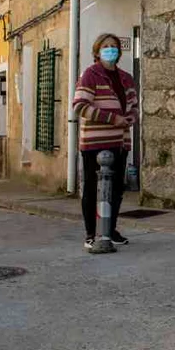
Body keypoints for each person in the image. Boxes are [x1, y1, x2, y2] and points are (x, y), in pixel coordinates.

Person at [73, 33, 138, 250]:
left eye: (114, 46)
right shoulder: (90, 75)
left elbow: (134, 106)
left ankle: (109, 229)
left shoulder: (126, 78)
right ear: (97, 51)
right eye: (106, 46)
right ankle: (92, 233)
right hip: (95, 143)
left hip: (119, 142)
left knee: (116, 189)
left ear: (119, 52)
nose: (111, 50)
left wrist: (130, 118)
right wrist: (112, 118)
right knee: (93, 189)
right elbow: (80, 106)